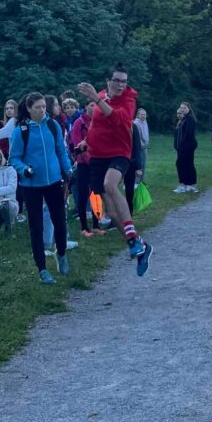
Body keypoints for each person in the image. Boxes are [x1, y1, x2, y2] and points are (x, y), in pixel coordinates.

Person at [77, 63, 153, 276]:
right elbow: (96, 124)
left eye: (124, 81)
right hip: (97, 156)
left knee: (110, 184)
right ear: (108, 81)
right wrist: (85, 141)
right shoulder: (101, 96)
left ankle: (133, 237)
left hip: (119, 153)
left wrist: (97, 99)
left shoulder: (128, 100)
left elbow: (118, 119)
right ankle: (137, 245)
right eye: (117, 81)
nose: (121, 85)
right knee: (110, 212)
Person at [9, 92, 72, 284]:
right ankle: (42, 269)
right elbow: (14, 158)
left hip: (53, 181)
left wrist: (68, 169)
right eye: (38, 107)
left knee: (59, 221)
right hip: (31, 185)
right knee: (36, 227)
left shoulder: (52, 125)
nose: (42, 110)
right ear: (29, 109)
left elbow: (61, 150)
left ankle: (61, 253)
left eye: (44, 106)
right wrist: (24, 169)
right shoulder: (21, 131)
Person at [69, 101, 106, 237]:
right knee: (83, 195)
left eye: (96, 105)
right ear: (85, 107)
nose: (94, 107)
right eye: (91, 105)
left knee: (96, 194)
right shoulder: (79, 123)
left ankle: (96, 225)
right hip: (84, 164)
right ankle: (84, 227)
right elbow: (77, 145)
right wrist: (90, 159)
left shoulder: (98, 122)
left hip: (97, 163)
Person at [0, 100, 23, 221]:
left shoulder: (13, 121)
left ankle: (18, 212)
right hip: (19, 157)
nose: (9, 110)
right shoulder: (15, 121)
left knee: (17, 186)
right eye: (7, 108)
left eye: (11, 108)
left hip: (16, 158)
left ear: (16, 109)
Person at [174, 101, 198, 193]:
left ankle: (187, 185)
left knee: (185, 164)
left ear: (188, 109)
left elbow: (188, 134)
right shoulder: (183, 119)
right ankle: (188, 184)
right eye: (181, 107)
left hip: (187, 146)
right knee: (184, 164)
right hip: (183, 147)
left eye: (184, 108)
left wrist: (181, 145)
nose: (183, 109)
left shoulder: (190, 119)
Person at [133, 108, 149, 181]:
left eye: (145, 114)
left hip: (144, 147)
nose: (143, 116)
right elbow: (137, 137)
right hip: (138, 148)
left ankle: (141, 182)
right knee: (139, 165)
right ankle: (136, 182)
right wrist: (141, 145)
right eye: (142, 114)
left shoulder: (145, 122)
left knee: (143, 165)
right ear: (138, 115)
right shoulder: (136, 123)